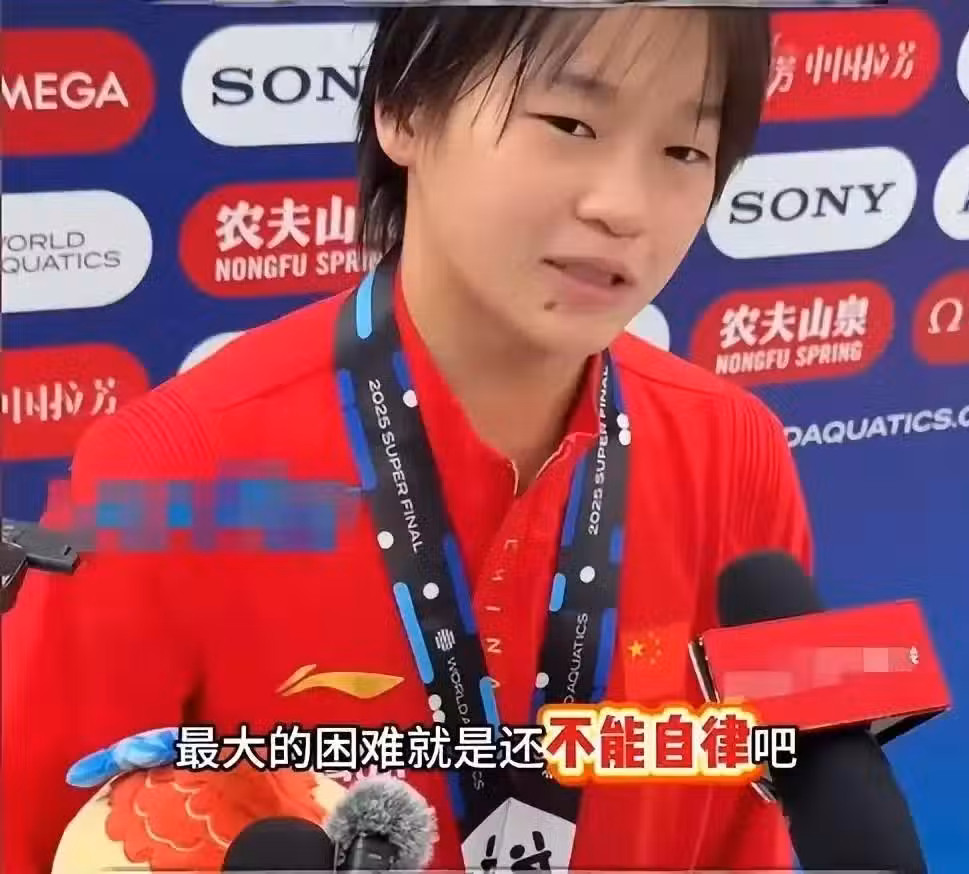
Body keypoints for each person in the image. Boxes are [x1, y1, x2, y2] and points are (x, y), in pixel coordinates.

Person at [1, 6, 813, 872]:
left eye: (684, 151)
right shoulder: (170, 472)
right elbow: (39, 836)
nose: (624, 206)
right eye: (570, 124)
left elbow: (755, 827)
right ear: (406, 108)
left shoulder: (740, 452)